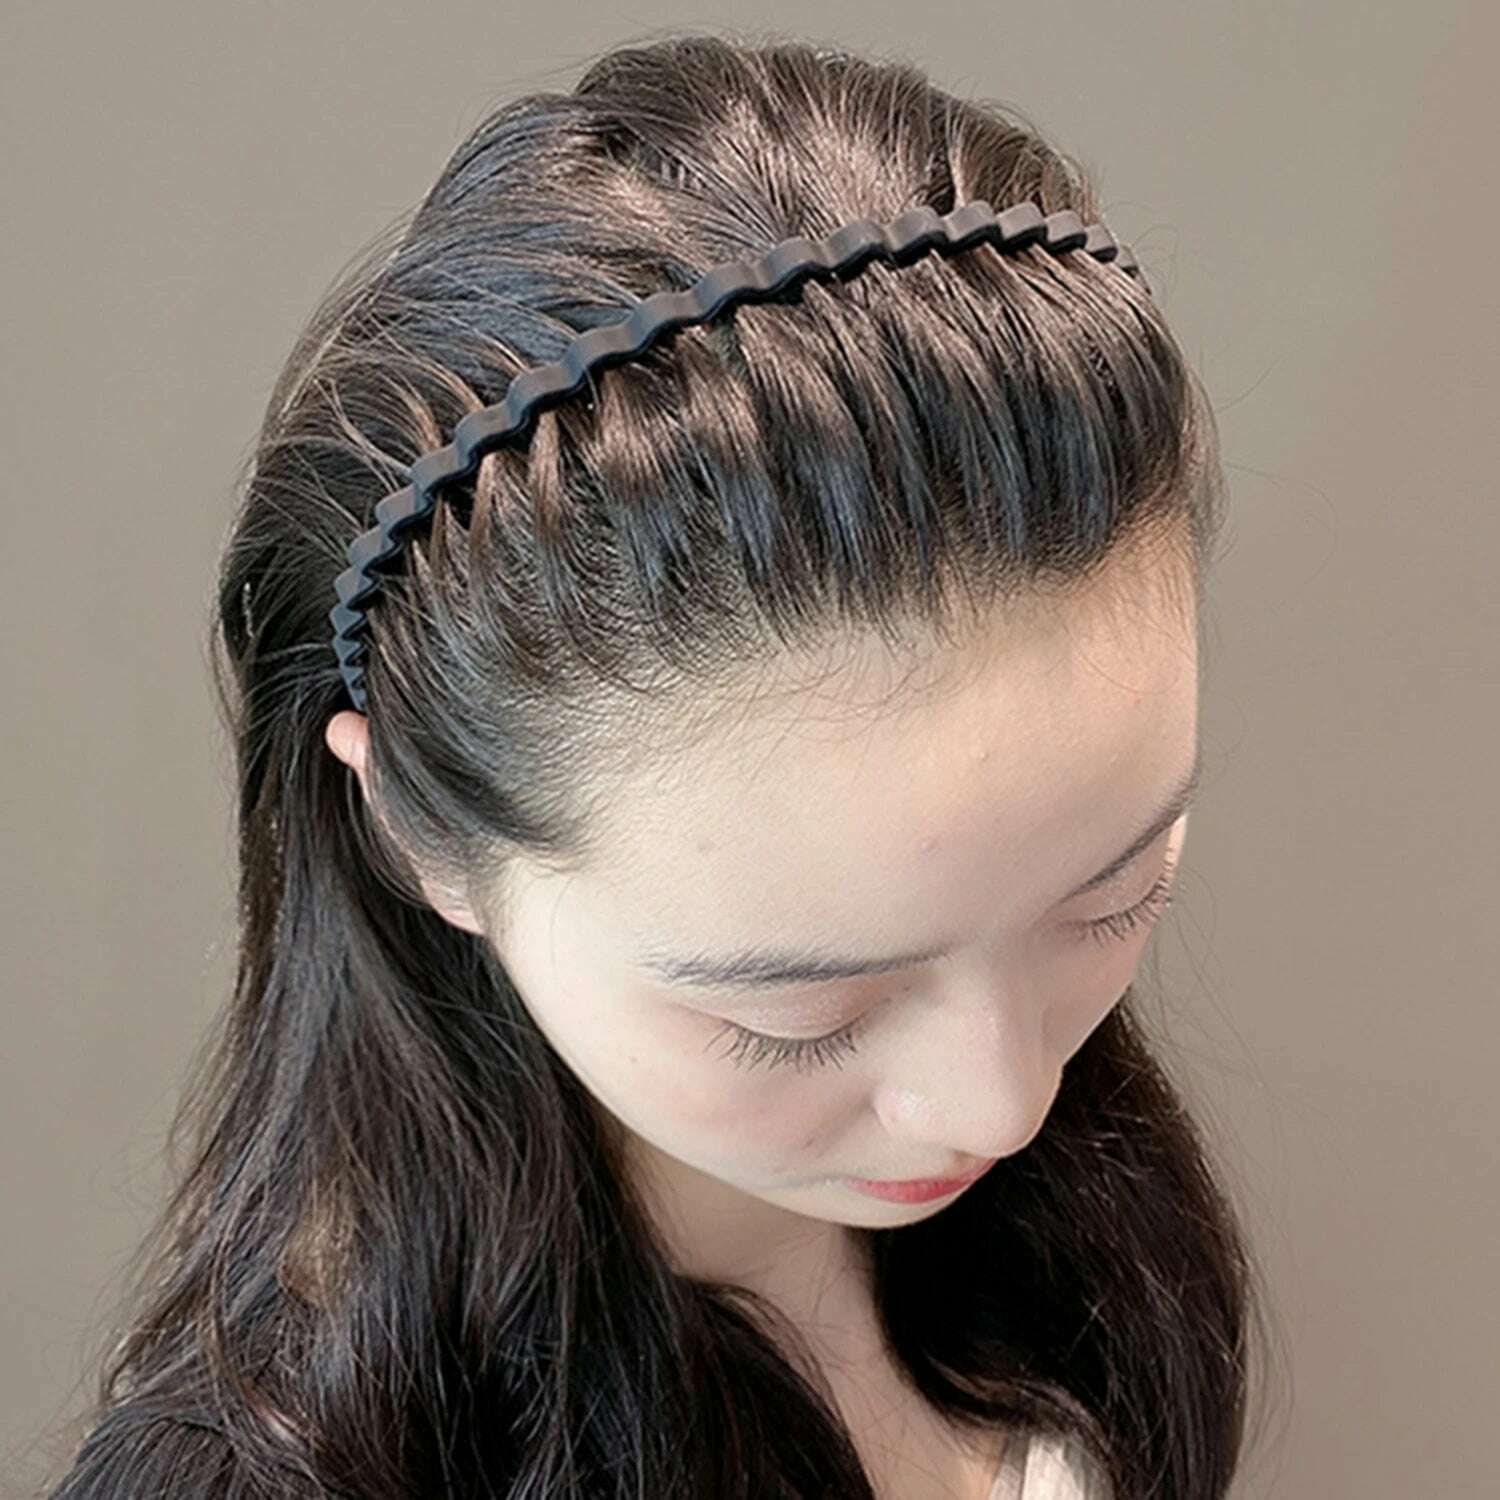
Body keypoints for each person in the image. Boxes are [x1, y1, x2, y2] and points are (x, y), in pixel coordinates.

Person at [39, 29, 1272, 1500]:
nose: (1001, 1104)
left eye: (1114, 896)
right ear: (423, 835)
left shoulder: (1053, 1246)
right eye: (802, 1016)